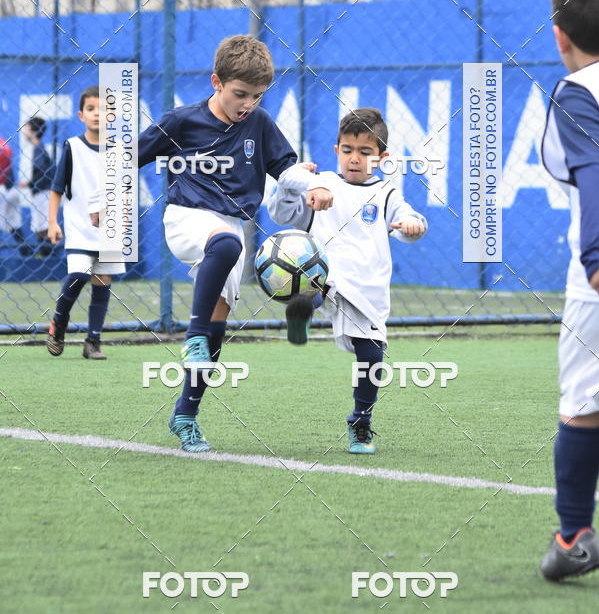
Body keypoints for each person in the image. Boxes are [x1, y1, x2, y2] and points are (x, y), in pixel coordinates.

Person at [137, 34, 333, 453]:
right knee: (223, 246)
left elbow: (286, 168)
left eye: (257, 96)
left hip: (233, 227)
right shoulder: (179, 122)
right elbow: (125, 160)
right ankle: (190, 337)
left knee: (217, 330)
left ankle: (185, 415)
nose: (247, 104)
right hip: (186, 217)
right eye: (240, 94)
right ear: (215, 82)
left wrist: (313, 184)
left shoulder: (259, 124)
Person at [267, 107, 427, 454]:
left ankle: (361, 421)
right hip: (326, 278)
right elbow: (281, 211)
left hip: (367, 289)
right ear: (336, 149)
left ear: (382, 157)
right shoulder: (323, 185)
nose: (355, 159)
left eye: (365, 152)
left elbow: (408, 221)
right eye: (347, 150)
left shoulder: (387, 194)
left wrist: (414, 226)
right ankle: (303, 308)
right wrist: (297, 185)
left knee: (371, 359)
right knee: (319, 285)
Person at [540, 0, 599, 580]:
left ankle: (574, 535)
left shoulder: (579, 91)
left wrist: (598, 259)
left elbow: (595, 179)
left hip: (595, 279)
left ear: (560, 36)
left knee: (585, 404)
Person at [46, 87, 125, 360]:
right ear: (81, 115)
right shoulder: (72, 147)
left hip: (109, 229)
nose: (97, 114)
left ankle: (93, 341)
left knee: (103, 281)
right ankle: (59, 321)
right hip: (79, 225)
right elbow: (56, 188)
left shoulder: (118, 151)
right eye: (91, 109)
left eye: (103, 109)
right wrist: (52, 222)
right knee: (79, 274)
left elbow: (122, 191)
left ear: (112, 116)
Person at [21, 117, 54, 255]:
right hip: (42, 191)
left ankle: (46, 255)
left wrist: (28, 183)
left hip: (42, 192)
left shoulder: (38, 147)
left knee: (43, 226)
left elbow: (40, 171)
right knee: (41, 225)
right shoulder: (38, 147)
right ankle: (44, 254)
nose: (24, 131)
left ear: (33, 130)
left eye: (26, 128)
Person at [0, 137, 28, 253]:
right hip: (10, 188)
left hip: (2, 189)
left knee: (12, 224)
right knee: (14, 225)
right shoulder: (3, 143)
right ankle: (26, 252)